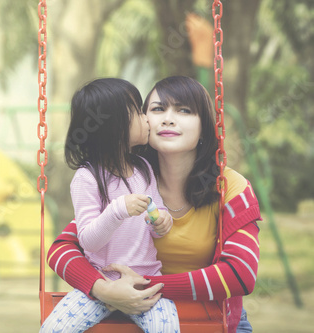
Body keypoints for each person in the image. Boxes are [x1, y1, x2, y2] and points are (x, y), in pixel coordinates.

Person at [46, 76, 261, 333]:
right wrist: (104, 289)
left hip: (210, 320)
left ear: (204, 125)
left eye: (184, 110)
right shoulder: (127, 179)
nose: (168, 118)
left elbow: (241, 273)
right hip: (132, 314)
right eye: (158, 109)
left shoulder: (229, 186)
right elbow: (62, 248)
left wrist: (145, 285)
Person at [40, 78, 180, 333]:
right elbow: (89, 241)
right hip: (101, 283)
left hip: (146, 282)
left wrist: (161, 221)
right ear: (114, 127)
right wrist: (117, 210)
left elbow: (154, 217)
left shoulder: (143, 169)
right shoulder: (87, 178)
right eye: (138, 111)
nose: (147, 118)